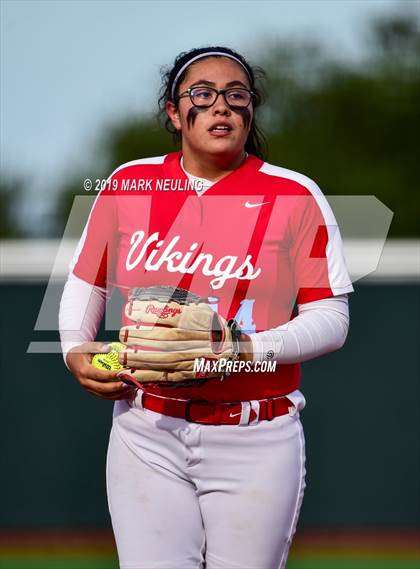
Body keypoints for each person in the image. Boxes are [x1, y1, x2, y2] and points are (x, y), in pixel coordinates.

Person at [59, 46, 353, 569]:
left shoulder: (294, 194)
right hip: (146, 427)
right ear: (174, 113)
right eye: (202, 94)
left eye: (237, 95)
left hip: (255, 434)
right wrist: (72, 348)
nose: (221, 106)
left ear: (251, 111)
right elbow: (87, 281)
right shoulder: (131, 183)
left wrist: (243, 348)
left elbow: (332, 319)